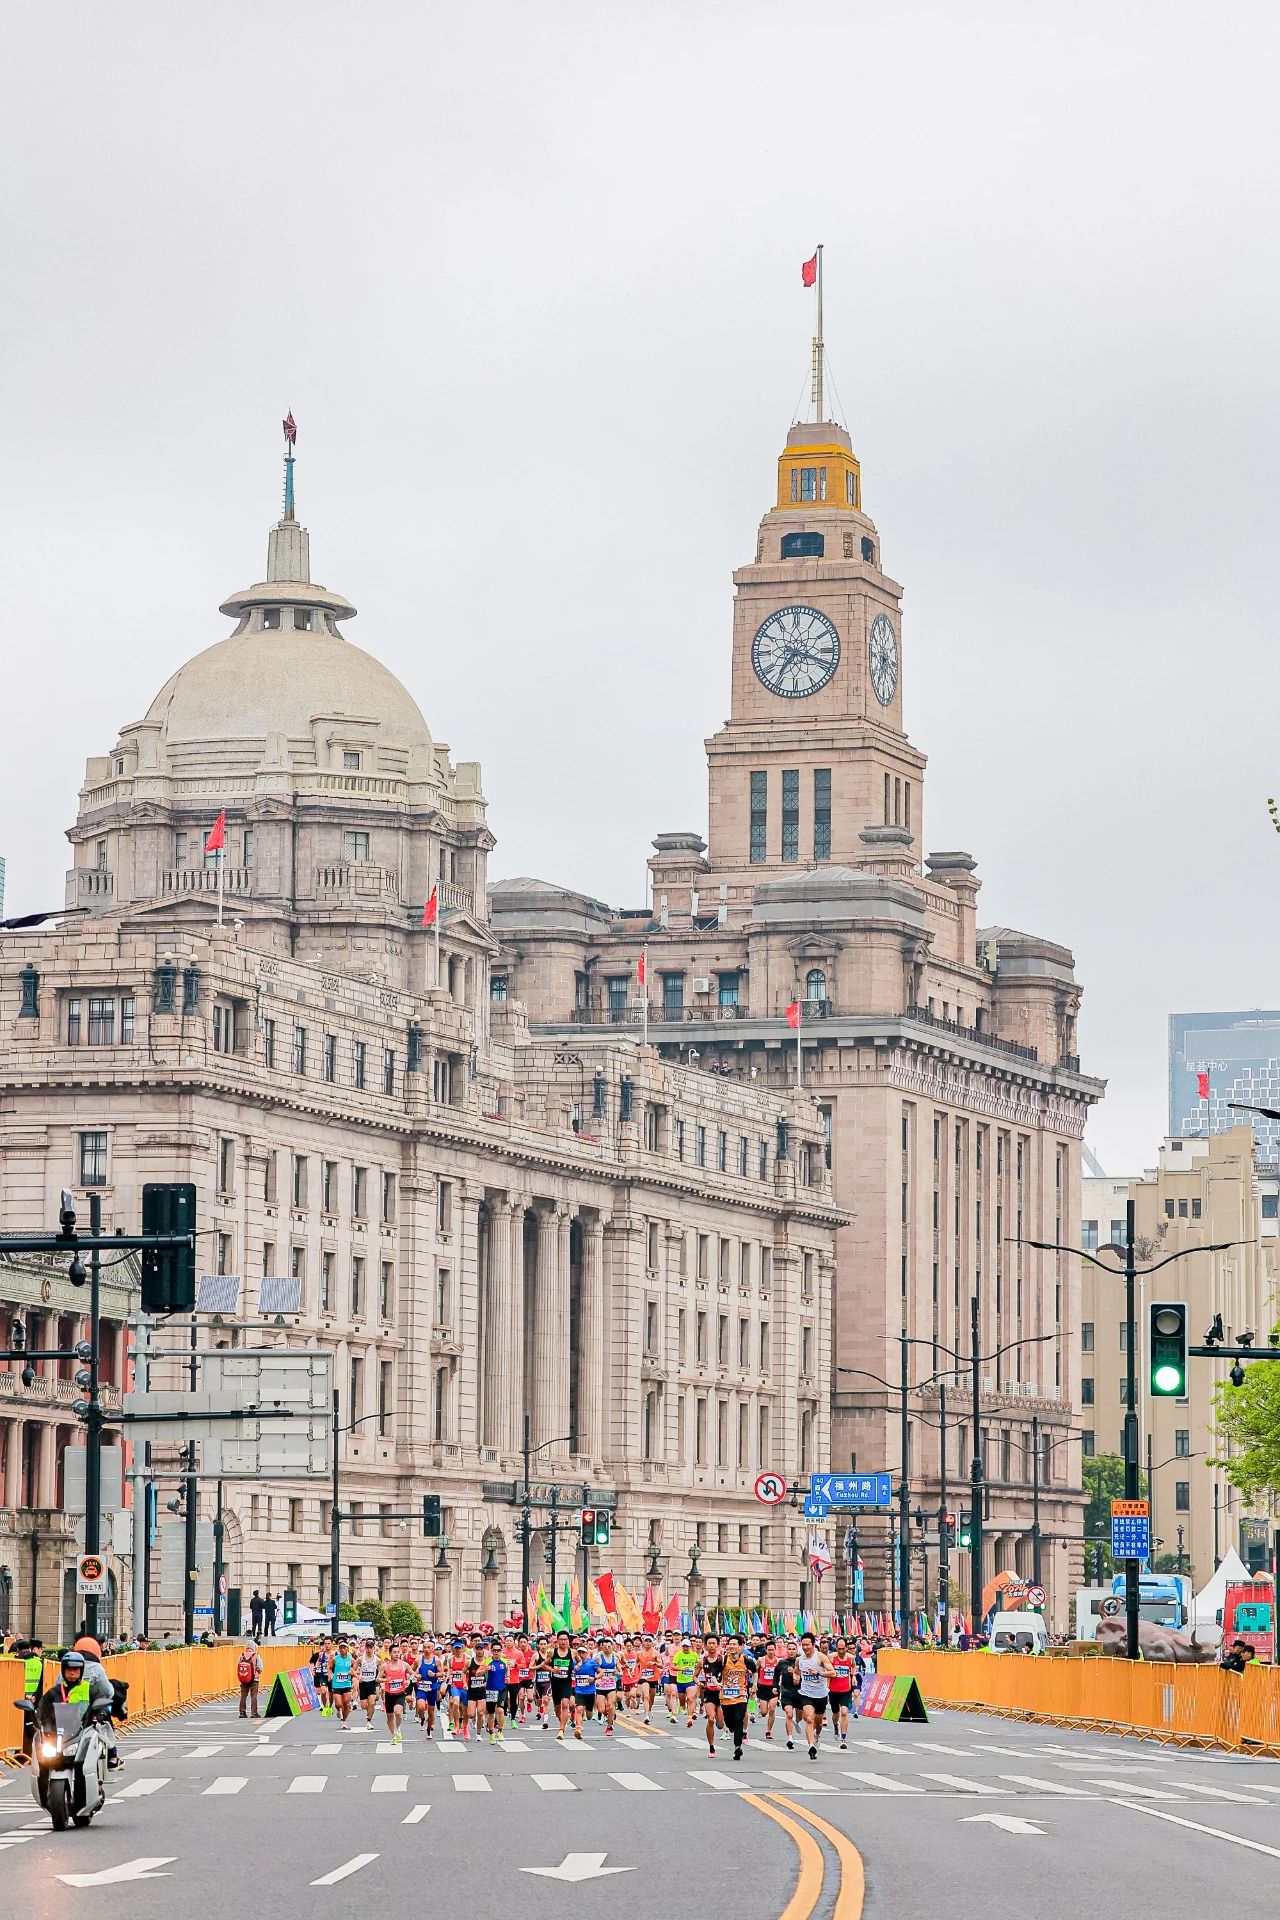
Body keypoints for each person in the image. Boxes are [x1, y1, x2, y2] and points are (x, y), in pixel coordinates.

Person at [796, 1631, 834, 1760]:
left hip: (821, 1695)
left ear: (813, 1645)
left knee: (818, 1723)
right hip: (806, 1694)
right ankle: (811, 1746)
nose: (805, 1647)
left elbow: (833, 1673)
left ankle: (817, 1735)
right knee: (809, 1719)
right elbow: (796, 1671)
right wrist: (795, 1677)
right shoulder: (799, 1659)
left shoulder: (820, 1657)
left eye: (807, 1645)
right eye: (803, 1645)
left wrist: (818, 1673)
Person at [719, 1635, 753, 1761]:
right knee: (730, 1723)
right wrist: (716, 1682)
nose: (732, 1646)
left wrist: (754, 1685)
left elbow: (755, 1671)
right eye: (730, 1644)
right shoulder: (723, 1660)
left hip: (741, 1695)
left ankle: (737, 1747)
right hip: (726, 1696)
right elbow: (714, 1673)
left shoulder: (746, 1660)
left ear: (740, 1647)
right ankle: (732, 1730)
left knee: (739, 1720)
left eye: (734, 1644)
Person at [381, 1642, 410, 1748]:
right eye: (394, 1652)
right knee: (389, 1717)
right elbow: (378, 1678)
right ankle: (393, 1734)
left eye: (398, 1652)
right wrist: (385, 1680)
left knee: (398, 1712)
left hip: (400, 1693)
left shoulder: (404, 1665)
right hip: (389, 1694)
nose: (397, 1654)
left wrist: (408, 1680)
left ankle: (397, 1728)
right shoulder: (385, 1666)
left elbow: (413, 1674)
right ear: (390, 1653)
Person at [549, 1631, 575, 1741]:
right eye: (561, 1639)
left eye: (565, 1639)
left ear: (568, 1641)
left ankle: (561, 1730)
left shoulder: (573, 1653)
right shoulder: (552, 1652)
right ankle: (562, 1721)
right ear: (557, 1640)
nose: (563, 1641)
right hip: (555, 1682)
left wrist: (577, 1668)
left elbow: (581, 1662)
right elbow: (544, 1665)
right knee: (557, 1707)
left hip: (566, 1683)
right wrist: (552, 1669)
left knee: (565, 1704)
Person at [330, 1637, 355, 1724]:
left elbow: (355, 1667)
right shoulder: (335, 1659)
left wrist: (354, 1673)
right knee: (339, 1704)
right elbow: (329, 1667)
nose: (342, 1649)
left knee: (346, 1703)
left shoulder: (351, 1659)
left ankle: (344, 1721)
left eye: (344, 1648)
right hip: (337, 1684)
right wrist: (330, 1674)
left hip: (347, 1684)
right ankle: (338, 1709)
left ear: (347, 1649)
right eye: (340, 1648)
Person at [237, 1639, 263, 1719]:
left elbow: (238, 1665)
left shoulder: (242, 1655)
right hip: (254, 1679)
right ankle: (254, 1713)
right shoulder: (256, 1655)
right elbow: (260, 1668)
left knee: (243, 1696)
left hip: (244, 1678)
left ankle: (242, 1712)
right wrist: (257, 1672)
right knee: (254, 1696)